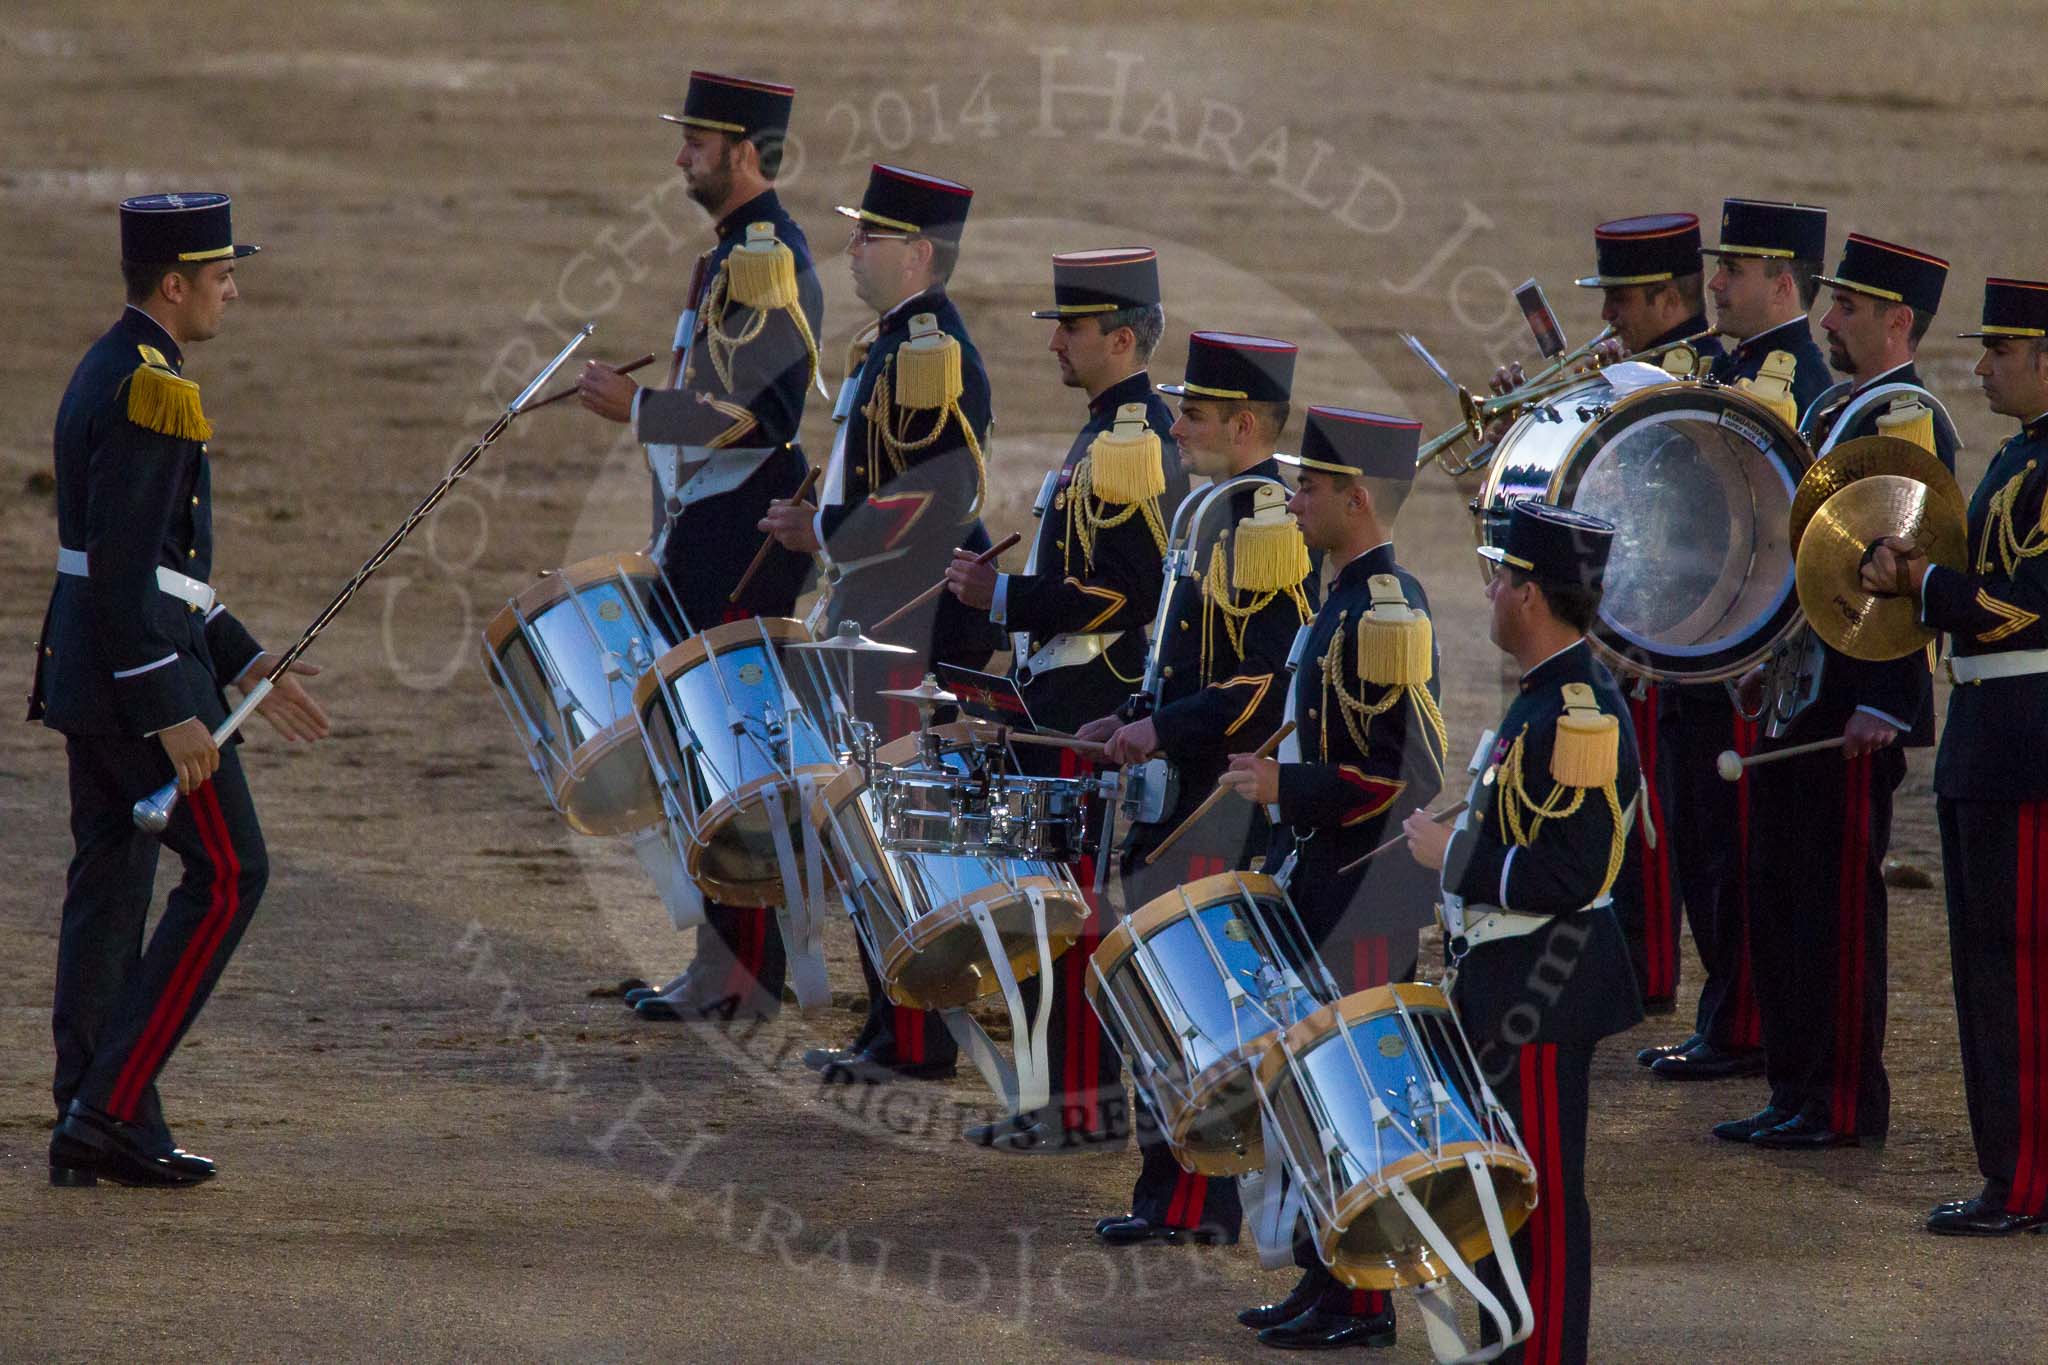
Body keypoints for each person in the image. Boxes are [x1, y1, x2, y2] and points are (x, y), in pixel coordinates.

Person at [31, 193, 329, 1187]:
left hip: (94, 671)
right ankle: (110, 1108)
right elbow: (125, 574)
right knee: (231, 874)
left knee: (111, 888)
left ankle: (90, 1101)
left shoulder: (112, 365)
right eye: (221, 276)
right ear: (175, 283)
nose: (232, 293)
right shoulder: (154, 391)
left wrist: (240, 657)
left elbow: (156, 568)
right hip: (135, 687)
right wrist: (172, 711)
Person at [576, 70, 823, 1024]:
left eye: (697, 142)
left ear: (745, 152)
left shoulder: (762, 256)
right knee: (708, 746)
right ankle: (732, 959)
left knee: (728, 754)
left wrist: (636, 407)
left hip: (739, 531)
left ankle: (741, 972)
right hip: (711, 525)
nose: (681, 155)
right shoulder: (735, 252)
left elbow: (760, 415)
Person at [942, 247, 1187, 1154]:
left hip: (1088, 697)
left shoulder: (1129, 446)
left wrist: (1001, 599)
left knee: (1067, 912)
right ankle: (1059, 1098)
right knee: (1049, 905)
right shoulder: (1112, 432)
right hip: (1062, 692)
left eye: (1072, 329)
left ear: (1121, 337)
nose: (1057, 343)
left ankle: (1080, 1105)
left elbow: (1126, 593)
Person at [1714, 232, 1956, 1150]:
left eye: (1848, 308)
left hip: (1852, 702)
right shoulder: (1841, 406)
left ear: (1899, 321)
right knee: (1781, 893)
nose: (1828, 319)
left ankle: (1842, 1099)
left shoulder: (1902, 417)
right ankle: (1794, 1082)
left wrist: (1886, 700)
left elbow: (1904, 558)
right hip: (1800, 690)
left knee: (1835, 909)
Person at [762, 162, 1002, 1084]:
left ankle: (914, 1038)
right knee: (870, 821)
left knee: (889, 823)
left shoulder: (929, 352)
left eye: (871, 235)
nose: (854, 248)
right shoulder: (898, 344)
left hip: (899, 620)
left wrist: (824, 530)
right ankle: (889, 1029)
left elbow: (937, 498)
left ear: (919, 252)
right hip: (877, 609)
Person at [1074, 331, 1313, 1248]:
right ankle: (1174, 1191)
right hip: (1175, 789)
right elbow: (1181, 659)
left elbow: (1262, 681)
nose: (1175, 426)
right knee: (1166, 1000)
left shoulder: (1262, 525)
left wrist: (1161, 729)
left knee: (1196, 1005)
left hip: (1216, 800)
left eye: (1198, 415)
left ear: (1244, 423)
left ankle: (1196, 1196)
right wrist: (1128, 714)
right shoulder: (1212, 510)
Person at [1219, 406, 1444, 1351]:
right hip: (1325, 876)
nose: (1294, 498)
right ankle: (1326, 1276)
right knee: (1318, 1090)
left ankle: (1363, 1298)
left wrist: (1287, 787)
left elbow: (1402, 781)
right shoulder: (1340, 601)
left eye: (1310, 486)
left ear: (1359, 498)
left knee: (1354, 1096)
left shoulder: (1385, 609)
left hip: (1366, 890)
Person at [1404, 500, 1645, 1365]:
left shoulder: (1577, 710)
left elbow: (1575, 873)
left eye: (1502, 577)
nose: (1492, 590)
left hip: (1545, 984)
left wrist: (1455, 857)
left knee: (1534, 1193)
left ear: (1533, 595)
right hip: (1510, 979)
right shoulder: (1544, 697)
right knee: (1505, 1186)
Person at [1861, 276, 2048, 1234]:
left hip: (2028, 740)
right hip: (1994, 734)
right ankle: (2015, 1173)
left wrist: (1927, 580)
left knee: (2014, 967)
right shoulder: (2024, 456)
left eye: (2002, 352)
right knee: (1990, 968)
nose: (1980, 368)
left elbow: (2030, 607)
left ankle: (2023, 1184)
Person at [1638, 199, 1833, 1081]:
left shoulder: (1804, 383)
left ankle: (1741, 1021)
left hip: (1745, 650)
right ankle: (1727, 1011)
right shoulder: (1712, 366)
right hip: (1691, 636)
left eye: (1734, 271)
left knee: (1731, 846)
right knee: (1696, 834)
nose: (1713, 284)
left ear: (1783, 282)